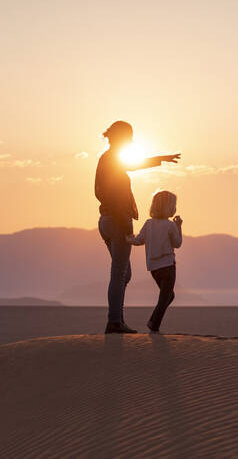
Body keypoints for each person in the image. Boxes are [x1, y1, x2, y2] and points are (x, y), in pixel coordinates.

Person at [95, 121, 180, 334]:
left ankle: (117, 319)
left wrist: (160, 159)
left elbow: (132, 165)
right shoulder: (111, 159)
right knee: (119, 272)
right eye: (129, 136)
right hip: (116, 220)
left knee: (124, 274)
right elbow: (105, 193)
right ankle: (115, 322)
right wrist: (121, 218)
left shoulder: (109, 158)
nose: (131, 140)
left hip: (107, 221)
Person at [126, 190, 183, 333]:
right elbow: (177, 243)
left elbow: (139, 240)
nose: (174, 208)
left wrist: (129, 238)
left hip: (154, 268)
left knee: (169, 296)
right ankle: (154, 324)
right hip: (168, 266)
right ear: (169, 207)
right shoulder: (170, 225)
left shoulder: (149, 224)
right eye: (173, 205)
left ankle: (153, 321)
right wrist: (179, 226)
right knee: (166, 297)